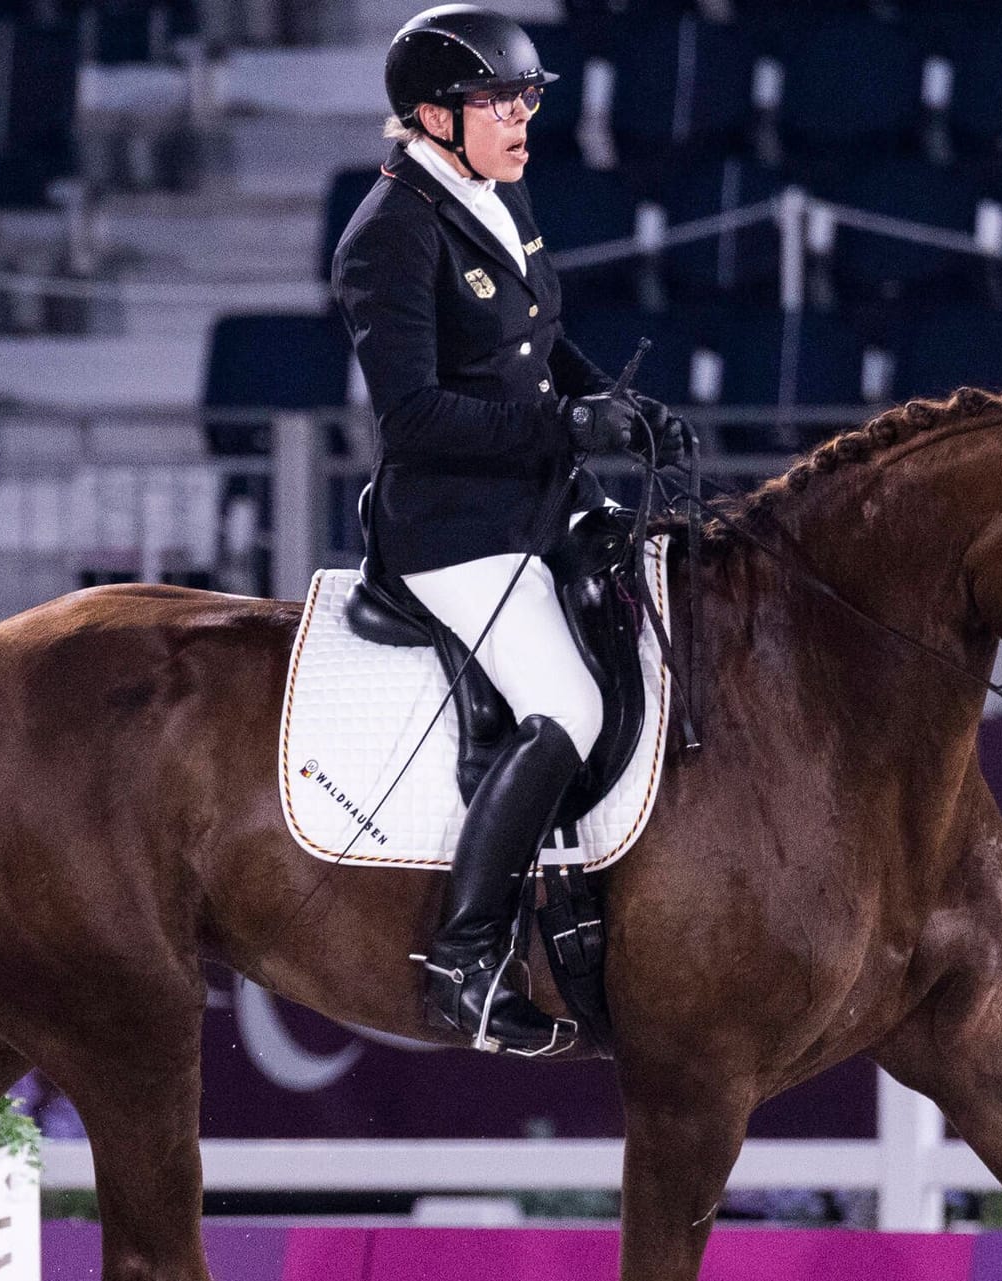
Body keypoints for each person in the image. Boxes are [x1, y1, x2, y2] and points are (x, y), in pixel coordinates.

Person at [331, 4, 682, 1056]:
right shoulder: (385, 238)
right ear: (434, 116)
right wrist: (563, 424)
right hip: (451, 529)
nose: (524, 118)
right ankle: (465, 959)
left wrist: (617, 403)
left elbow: (543, 340)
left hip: (538, 500)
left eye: (529, 97)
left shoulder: (498, 194)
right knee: (568, 704)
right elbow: (413, 417)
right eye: (500, 102)